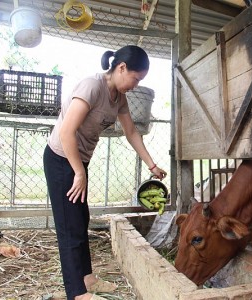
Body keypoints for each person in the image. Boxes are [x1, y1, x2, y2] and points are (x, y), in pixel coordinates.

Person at [43, 45, 167, 300]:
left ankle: (87, 279)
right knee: (70, 227)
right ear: (121, 68)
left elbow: (131, 132)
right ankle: (77, 294)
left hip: (78, 162)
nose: (135, 85)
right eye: (135, 78)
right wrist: (79, 172)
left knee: (81, 219)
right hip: (60, 159)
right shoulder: (92, 86)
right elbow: (67, 132)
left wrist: (151, 165)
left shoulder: (119, 97)